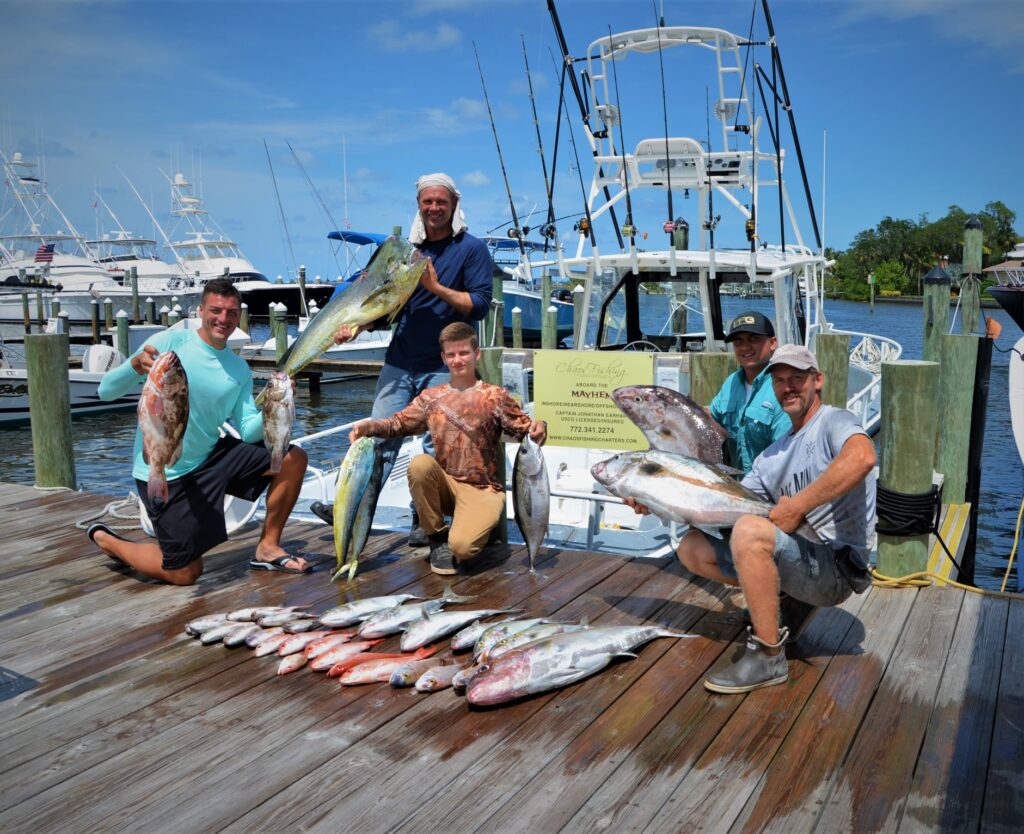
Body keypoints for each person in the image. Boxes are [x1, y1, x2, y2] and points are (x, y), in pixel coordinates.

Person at [629, 344, 876, 694]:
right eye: (780, 381)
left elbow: (863, 458)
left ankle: (768, 656)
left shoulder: (834, 422)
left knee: (750, 531)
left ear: (817, 380)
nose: (788, 387)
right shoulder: (768, 459)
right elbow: (721, 506)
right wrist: (654, 501)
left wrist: (798, 506)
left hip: (838, 569)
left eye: (797, 378)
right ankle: (785, 603)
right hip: (801, 561)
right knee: (692, 548)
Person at [311, 172, 494, 546]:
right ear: (419, 206)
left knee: (436, 448)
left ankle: (425, 521)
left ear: (454, 205)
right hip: (399, 361)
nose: (434, 208)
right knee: (377, 438)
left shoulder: (472, 249)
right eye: (428, 201)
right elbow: (388, 304)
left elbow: (478, 305)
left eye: (441, 201)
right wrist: (358, 327)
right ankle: (352, 507)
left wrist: (435, 287)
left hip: (442, 366)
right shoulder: (406, 251)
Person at [89, 279, 310, 585]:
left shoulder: (238, 368)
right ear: (201, 311)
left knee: (292, 458)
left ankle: (267, 547)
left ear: (239, 316)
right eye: (216, 310)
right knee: (184, 573)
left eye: (231, 312)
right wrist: (134, 367)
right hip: (163, 469)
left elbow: (248, 432)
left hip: (210, 457)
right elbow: (105, 391)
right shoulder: (168, 343)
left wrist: (275, 405)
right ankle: (109, 541)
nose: (223, 319)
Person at [347, 322, 546, 575]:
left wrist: (541, 426)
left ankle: (471, 529)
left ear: (476, 354)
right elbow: (397, 424)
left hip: (482, 489)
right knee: (419, 465)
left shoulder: (495, 396)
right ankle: (436, 537)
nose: (458, 360)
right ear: (443, 357)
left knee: (463, 548)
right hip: (445, 486)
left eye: (464, 353)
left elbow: (527, 431)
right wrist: (369, 426)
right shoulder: (430, 397)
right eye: (451, 354)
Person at [710, 310, 791, 473]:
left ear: (773, 343)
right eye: (738, 341)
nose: (745, 347)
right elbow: (711, 418)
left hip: (771, 483)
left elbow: (789, 454)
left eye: (754, 339)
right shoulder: (731, 382)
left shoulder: (784, 387)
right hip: (736, 483)